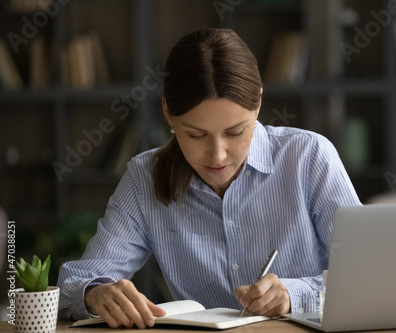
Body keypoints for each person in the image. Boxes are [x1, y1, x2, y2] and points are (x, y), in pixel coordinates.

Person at [57, 28, 361, 329]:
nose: (217, 156)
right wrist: (95, 294)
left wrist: (294, 294)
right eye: (196, 135)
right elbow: (75, 281)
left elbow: (368, 274)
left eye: (235, 132)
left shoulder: (309, 157)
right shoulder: (144, 178)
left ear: (257, 105)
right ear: (168, 113)